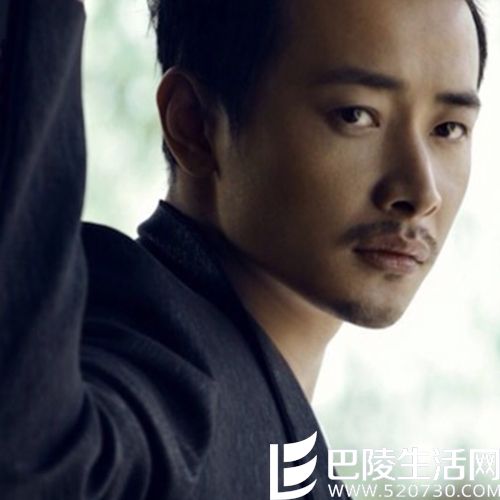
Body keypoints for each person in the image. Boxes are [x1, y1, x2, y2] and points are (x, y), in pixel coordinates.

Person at [0, 0, 487, 499]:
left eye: (448, 128)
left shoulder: (276, 436)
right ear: (194, 124)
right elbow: (33, 457)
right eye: (356, 115)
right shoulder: (159, 378)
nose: (421, 192)